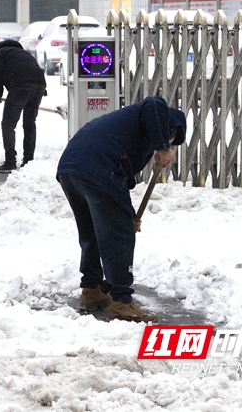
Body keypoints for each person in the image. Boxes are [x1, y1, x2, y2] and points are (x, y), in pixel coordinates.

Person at [56, 96, 186, 322]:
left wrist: (126, 214)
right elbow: (154, 103)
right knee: (120, 237)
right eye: (173, 137)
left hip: (71, 168)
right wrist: (163, 147)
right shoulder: (152, 113)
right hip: (96, 168)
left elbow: (121, 178)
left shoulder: (129, 127)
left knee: (93, 232)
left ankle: (92, 291)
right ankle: (121, 302)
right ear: (170, 124)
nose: (170, 143)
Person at [0, 38, 47, 173]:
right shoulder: (24, 54)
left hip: (20, 86)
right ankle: (28, 160)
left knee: (8, 124)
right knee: (29, 123)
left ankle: (10, 161)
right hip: (39, 86)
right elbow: (35, 71)